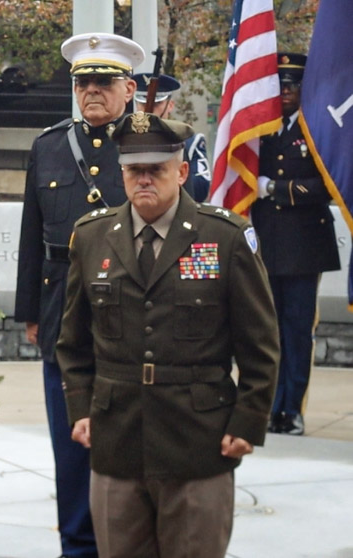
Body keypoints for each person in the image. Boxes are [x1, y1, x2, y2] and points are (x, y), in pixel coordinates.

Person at [57, 111, 279, 558]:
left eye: (156, 169)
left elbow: (260, 345)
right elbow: (73, 341)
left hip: (198, 442)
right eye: (134, 169)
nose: (144, 179)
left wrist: (248, 422)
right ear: (122, 172)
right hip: (116, 440)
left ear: (180, 172)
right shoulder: (92, 236)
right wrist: (80, 408)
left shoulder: (226, 238)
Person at [14, 32, 144, 558]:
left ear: (129, 88)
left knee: (127, 438)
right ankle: (78, 544)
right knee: (69, 442)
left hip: (129, 309)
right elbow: (31, 235)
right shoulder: (48, 146)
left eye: (104, 81)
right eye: (83, 82)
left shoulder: (149, 146)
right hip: (60, 308)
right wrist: (29, 311)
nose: (92, 91)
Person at [251, 52, 341, 436]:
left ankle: (292, 408)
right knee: (268, 331)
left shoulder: (318, 129)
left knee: (298, 330)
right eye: (280, 85)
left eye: (292, 85)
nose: (285, 91)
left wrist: (275, 188)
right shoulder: (259, 128)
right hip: (267, 242)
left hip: (304, 246)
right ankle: (271, 406)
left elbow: (329, 184)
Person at [133, 72, 211, 201]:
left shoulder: (189, 141)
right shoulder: (126, 140)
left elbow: (200, 189)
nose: (148, 108)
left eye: (157, 104)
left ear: (170, 105)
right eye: (142, 103)